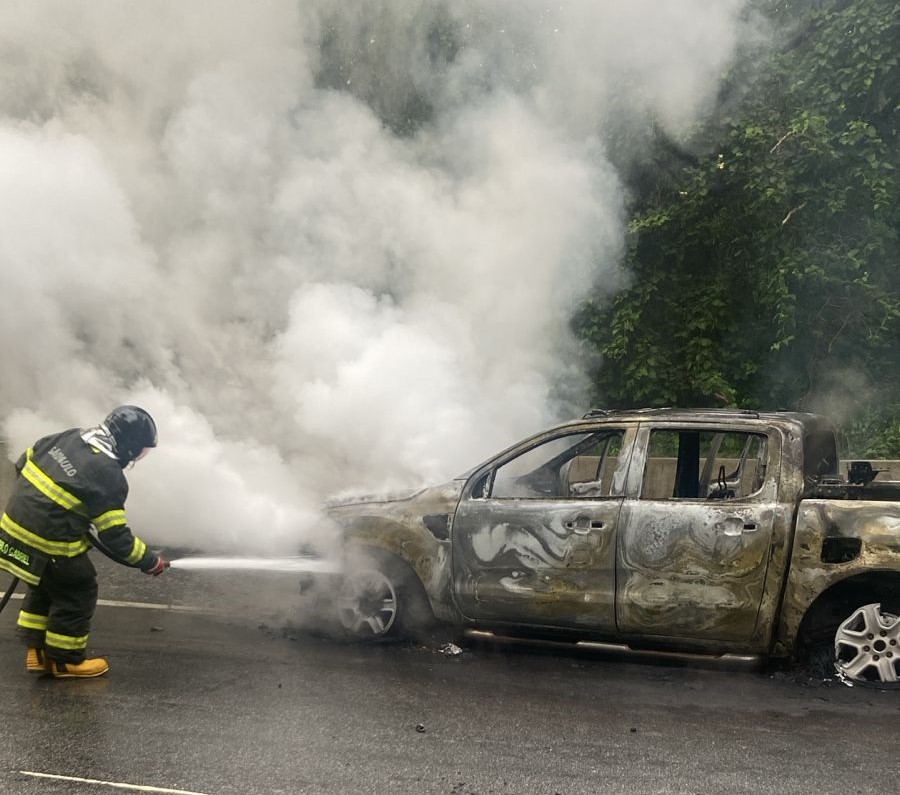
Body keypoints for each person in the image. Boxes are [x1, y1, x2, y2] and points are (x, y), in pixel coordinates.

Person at [0, 405, 168, 679]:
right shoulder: (108, 475)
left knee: (43, 583)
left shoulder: (68, 437)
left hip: (10, 531)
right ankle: (66, 661)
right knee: (77, 588)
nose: (142, 456)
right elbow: (116, 537)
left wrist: (46, 504)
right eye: (142, 450)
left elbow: (23, 462)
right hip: (49, 543)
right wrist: (150, 561)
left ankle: (38, 653)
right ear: (128, 446)